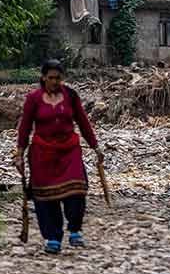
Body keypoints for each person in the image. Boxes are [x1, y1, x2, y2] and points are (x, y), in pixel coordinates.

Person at [14, 60, 103, 254]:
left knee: (77, 189)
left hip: (69, 150)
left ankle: (74, 229)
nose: (55, 82)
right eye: (51, 78)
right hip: (42, 153)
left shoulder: (70, 95)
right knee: (45, 196)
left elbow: (83, 121)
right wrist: (19, 153)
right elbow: (25, 127)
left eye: (58, 78)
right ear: (43, 77)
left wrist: (95, 146)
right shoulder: (34, 99)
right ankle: (52, 237)